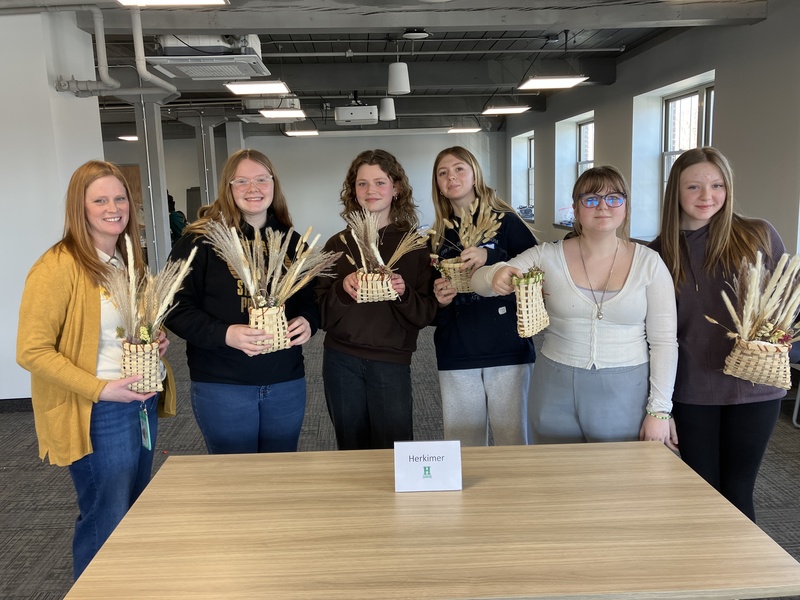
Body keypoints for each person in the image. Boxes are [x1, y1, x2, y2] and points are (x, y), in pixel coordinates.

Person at [16, 160, 174, 580]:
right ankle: (96, 587)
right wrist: (101, 390)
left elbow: (126, 328)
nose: (113, 207)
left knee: (134, 506)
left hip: (138, 402)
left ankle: (129, 584)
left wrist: (155, 340)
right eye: (100, 199)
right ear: (79, 207)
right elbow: (31, 350)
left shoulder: (125, 259)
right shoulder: (57, 266)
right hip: (97, 411)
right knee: (106, 514)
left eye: (120, 197)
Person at [472, 166, 678, 448]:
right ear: (576, 209)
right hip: (554, 385)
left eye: (614, 198)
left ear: (626, 206)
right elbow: (478, 282)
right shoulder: (548, 255)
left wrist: (659, 409)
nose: (603, 206)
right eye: (591, 199)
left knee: (617, 481)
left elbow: (664, 341)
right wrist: (493, 276)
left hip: (626, 388)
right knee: (556, 478)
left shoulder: (649, 263)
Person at [650, 147, 785, 521]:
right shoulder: (658, 252)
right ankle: (700, 572)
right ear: (675, 190)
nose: (706, 196)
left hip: (754, 388)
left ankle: (744, 575)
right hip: (692, 390)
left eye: (717, 185)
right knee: (699, 489)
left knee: (739, 488)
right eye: (693, 186)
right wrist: (659, 406)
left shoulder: (757, 235)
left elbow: (786, 305)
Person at [165, 149, 318, 454]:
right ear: (228, 187)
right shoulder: (200, 241)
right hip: (223, 384)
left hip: (285, 381)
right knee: (233, 481)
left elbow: (312, 298)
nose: (253, 189)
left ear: (273, 184)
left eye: (262, 179)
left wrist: (309, 321)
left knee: (281, 474)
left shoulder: (291, 240)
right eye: (242, 181)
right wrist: (226, 334)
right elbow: (173, 307)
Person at [315, 149, 437, 450]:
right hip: (340, 361)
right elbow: (320, 315)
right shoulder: (337, 244)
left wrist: (402, 291)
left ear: (396, 189)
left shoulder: (417, 246)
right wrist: (343, 289)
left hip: (391, 363)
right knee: (351, 447)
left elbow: (425, 315)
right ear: (353, 191)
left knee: (394, 449)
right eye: (362, 184)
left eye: (380, 182)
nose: (371, 191)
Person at [430, 146, 537, 446]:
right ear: (437, 184)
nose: (451, 177)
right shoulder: (437, 235)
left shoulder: (507, 222)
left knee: (512, 442)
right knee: (463, 448)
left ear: (475, 173)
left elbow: (537, 270)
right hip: (457, 350)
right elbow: (430, 297)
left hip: (508, 349)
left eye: (459, 168)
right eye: (443, 173)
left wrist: (493, 256)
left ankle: (514, 496)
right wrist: (439, 299)